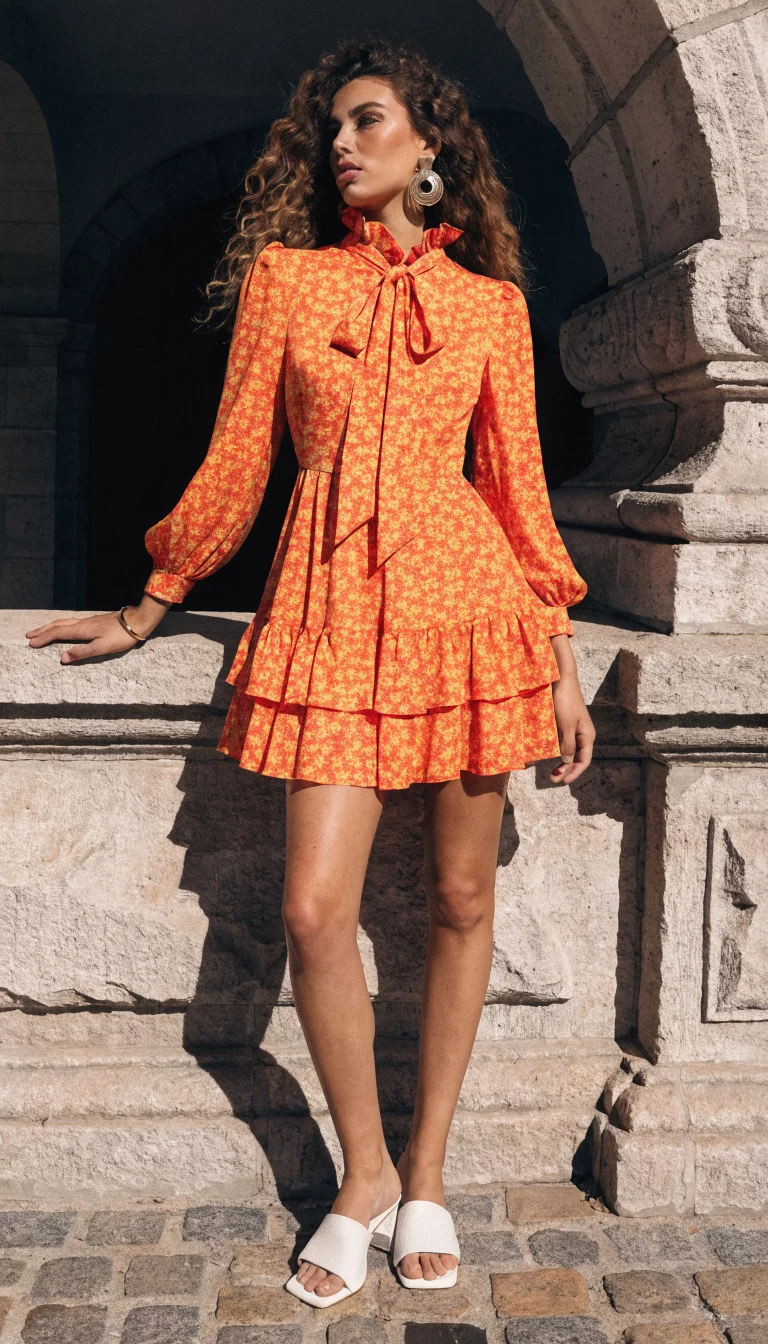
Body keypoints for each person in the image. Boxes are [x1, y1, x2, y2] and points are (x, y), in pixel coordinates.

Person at [27, 36, 595, 1309]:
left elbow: (517, 489)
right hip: (330, 603)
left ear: (430, 146)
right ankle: (366, 1172)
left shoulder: (490, 307)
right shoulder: (288, 282)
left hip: (468, 610)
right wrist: (152, 599)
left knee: (458, 901)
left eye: (370, 120)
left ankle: (431, 1169)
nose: (343, 144)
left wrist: (555, 647)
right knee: (310, 912)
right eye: (332, 127)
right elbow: (239, 461)